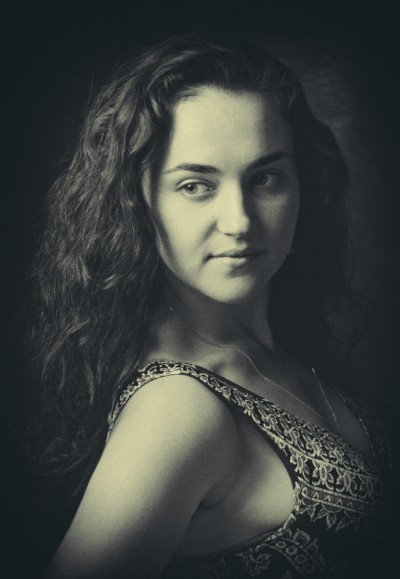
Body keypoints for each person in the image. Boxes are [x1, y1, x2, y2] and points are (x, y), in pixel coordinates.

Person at [27, 34, 389, 578]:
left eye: (265, 178)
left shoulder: (280, 348)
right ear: (136, 202)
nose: (240, 221)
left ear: (302, 186)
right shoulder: (176, 408)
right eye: (196, 185)